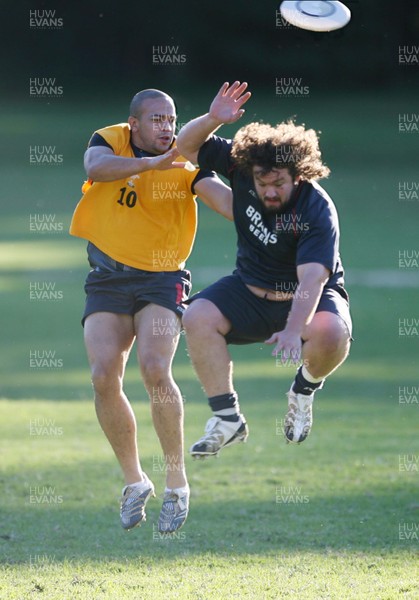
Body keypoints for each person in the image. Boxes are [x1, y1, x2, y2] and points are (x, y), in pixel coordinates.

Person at [69, 88, 233, 533]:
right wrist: (149, 165)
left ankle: (177, 483)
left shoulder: (187, 158)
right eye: (157, 120)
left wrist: (270, 205)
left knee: (155, 369)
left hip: (162, 278)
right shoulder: (110, 141)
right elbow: (95, 169)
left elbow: (224, 200)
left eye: (172, 120)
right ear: (134, 124)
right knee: (104, 375)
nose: (167, 128)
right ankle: (135, 481)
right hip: (107, 277)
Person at [176, 81, 352, 458]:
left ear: (299, 176)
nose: (269, 191)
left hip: (305, 297)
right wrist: (211, 119)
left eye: (279, 184)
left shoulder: (316, 209)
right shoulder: (241, 165)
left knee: (332, 332)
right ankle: (227, 419)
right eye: (262, 183)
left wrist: (292, 330)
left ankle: (303, 392)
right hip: (250, 289)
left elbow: (313, 278)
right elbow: (185, 148)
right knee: (197, 316)